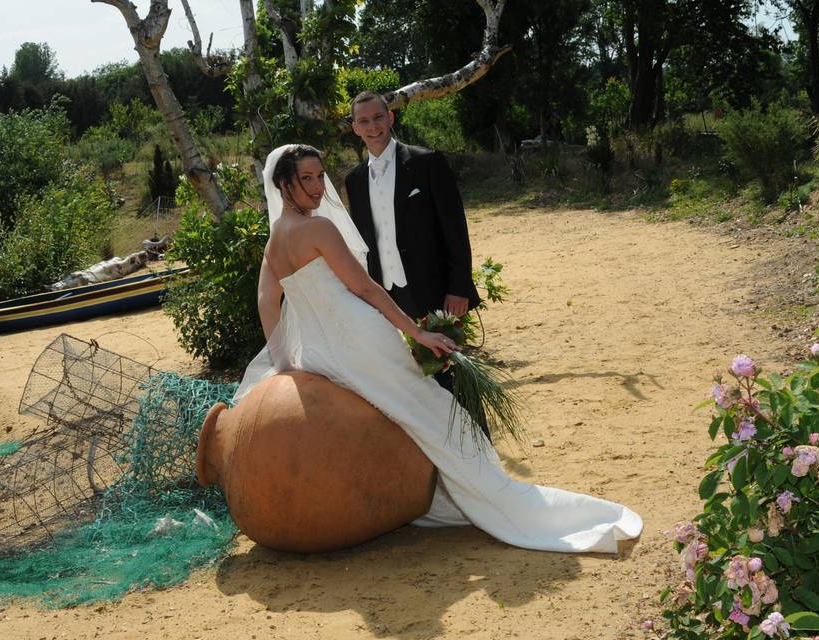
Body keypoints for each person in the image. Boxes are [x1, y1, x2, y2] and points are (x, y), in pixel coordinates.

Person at [232, 144, 642, 553]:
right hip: (361, 343)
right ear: (283, 183)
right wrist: (418, 333)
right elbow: (363, 287)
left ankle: (430, 496)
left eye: (321, 176)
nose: (319, 187)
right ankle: (496, 500)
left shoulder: (273, 243)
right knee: (438, 416)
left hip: (320, 356)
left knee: (408, 420)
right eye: (307, 178)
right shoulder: (318, 229)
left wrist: (285, 363)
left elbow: (267, 302)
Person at [344, 91, 489, 439]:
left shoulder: (427, 162)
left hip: (435, 287)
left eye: (378, 117)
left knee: (451, 370)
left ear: (390, 118)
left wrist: (458, 286)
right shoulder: (353, 181)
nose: (373, 126)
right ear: (354, 128)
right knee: (407, 373)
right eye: (363, 121)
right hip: (387, 295)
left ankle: (479, 444)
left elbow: (455, 228)